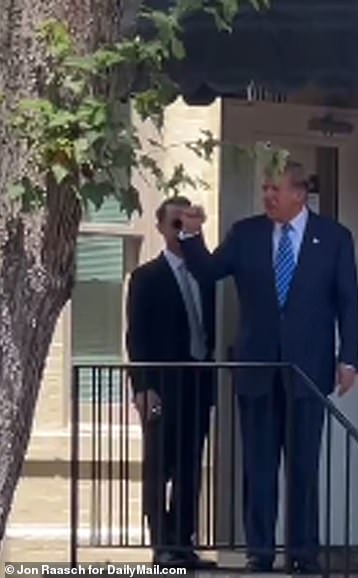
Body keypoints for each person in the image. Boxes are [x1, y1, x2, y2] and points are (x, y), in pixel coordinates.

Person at [178, 161, 358, 573]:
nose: (267, 197)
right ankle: (259, 553)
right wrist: (191, 236)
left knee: (303, 468)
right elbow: (209, 272)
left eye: (274, 189)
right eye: (264, 189)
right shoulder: (247, 233)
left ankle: (303, 554)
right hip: (257, 368)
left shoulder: (333, 238)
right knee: (258, 467)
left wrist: (350, 358)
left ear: (299, 194)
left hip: (307, 370)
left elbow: (349, 301)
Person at [126, 196, 217, 569]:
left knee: (189, 467)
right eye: (175, 224)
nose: (181, 231)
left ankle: (183, 544)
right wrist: (142, 388)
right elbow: (137, 337)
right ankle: (161, 545)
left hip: (198, 382)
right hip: (163, 385)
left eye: (188, 223)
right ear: (162, 228)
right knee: (159, 464)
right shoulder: (146, 277)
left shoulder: (206, 274)